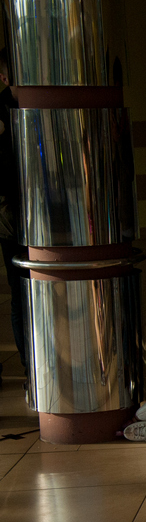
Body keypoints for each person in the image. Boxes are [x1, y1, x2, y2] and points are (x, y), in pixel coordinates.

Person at [0, 56, 27, 389]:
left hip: (47, 213)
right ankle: (29, 367)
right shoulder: (2, 109)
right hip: (12, 217)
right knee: (21, 295)